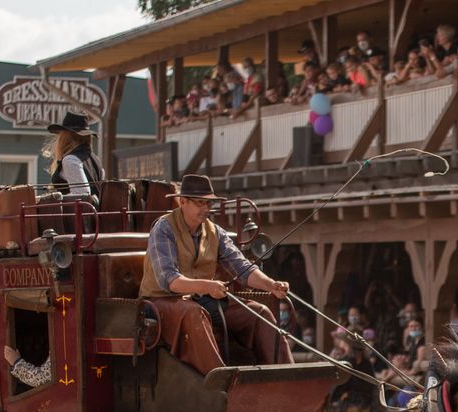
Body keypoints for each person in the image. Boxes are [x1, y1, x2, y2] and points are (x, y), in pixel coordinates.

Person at [138, 174, 292, 375]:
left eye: (209, 204)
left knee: (260, 313)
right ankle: (220, 378)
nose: (206, 209)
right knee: (193, 313)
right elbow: (170, 281)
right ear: (182, 201)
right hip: (161, 301)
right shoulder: (163, 228)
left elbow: (243, 268)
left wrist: (271, 285)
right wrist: (208, 287)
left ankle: (284, 374)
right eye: (200, 203)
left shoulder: (215, 232)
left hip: (203, 299)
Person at [46, 112, 104, 201]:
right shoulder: (95, 159)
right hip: (94, 213)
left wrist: (53, 198)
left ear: (65, 137)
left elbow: (82, 193)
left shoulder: (71, 160)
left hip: (78, 214)